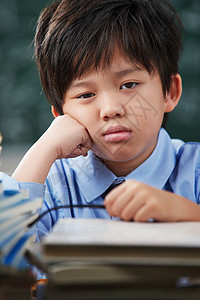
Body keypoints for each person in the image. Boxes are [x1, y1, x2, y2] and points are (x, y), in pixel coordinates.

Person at [1, 0, 200, 242]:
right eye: (86, 95)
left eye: (128, 85)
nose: (110, 109)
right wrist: (42, 150)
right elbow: (6, 253)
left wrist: (184, 213)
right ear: (61, 116)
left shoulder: (195, 171)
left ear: (169, 92)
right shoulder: (53, 186)